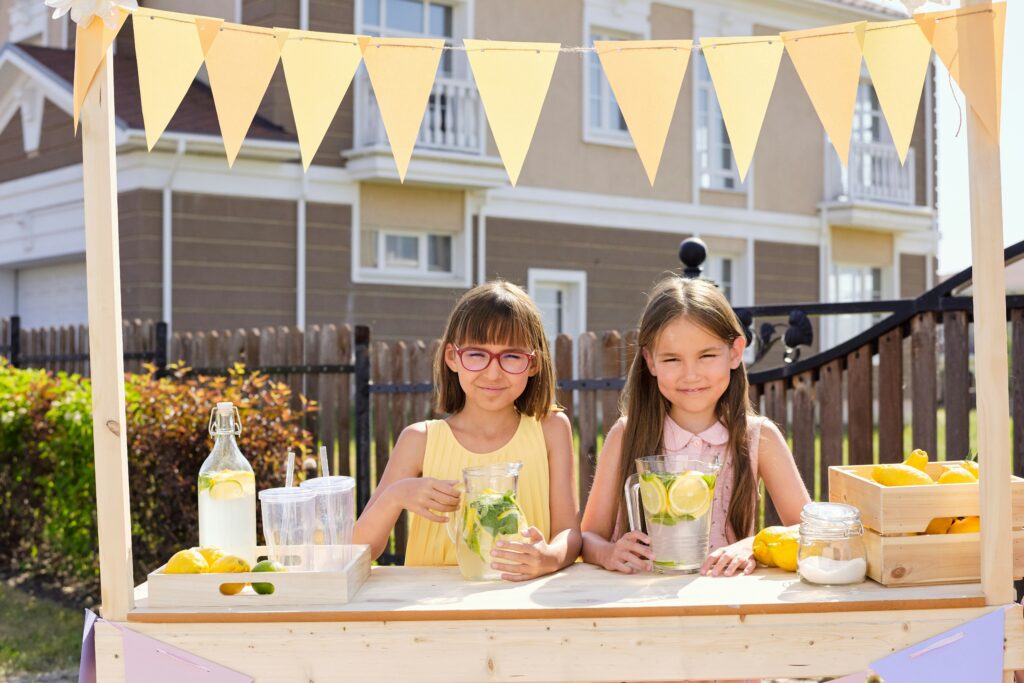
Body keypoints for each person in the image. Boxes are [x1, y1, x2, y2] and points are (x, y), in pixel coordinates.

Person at [581, 276, 810, 577]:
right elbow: (587, 538)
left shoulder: (759, 437)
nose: (691, 375)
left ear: (735, 351)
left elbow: (810, 533)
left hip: (725, 606)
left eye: (707, 355)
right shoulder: (626, 435)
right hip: (638, 606)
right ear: (650, 361)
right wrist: (609, 552)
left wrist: (753, 546)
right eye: (672, 359)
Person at [353, 281, 581, 580]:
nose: (492, 372)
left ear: (533, 363)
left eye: (511, 356)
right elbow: (358, 551)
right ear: (452, 357)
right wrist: (396, 496)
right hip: (431, 610)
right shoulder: (419, 440)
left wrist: (548, 558)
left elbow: (570, 532)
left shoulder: (550, 429)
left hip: (521, 604)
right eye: (477, 354)